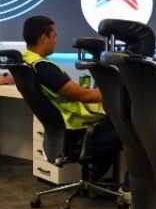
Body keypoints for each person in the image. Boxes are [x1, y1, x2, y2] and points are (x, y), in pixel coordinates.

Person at [21, 15, 120, 180]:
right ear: (44, 38)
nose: (56, 41)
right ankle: (128, 186)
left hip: (61, 132)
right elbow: (84, 95)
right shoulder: (44, 68)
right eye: (54, 36)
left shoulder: (25, 62)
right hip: (77, 131)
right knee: (130, 131)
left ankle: (94, 178)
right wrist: (118, 93)